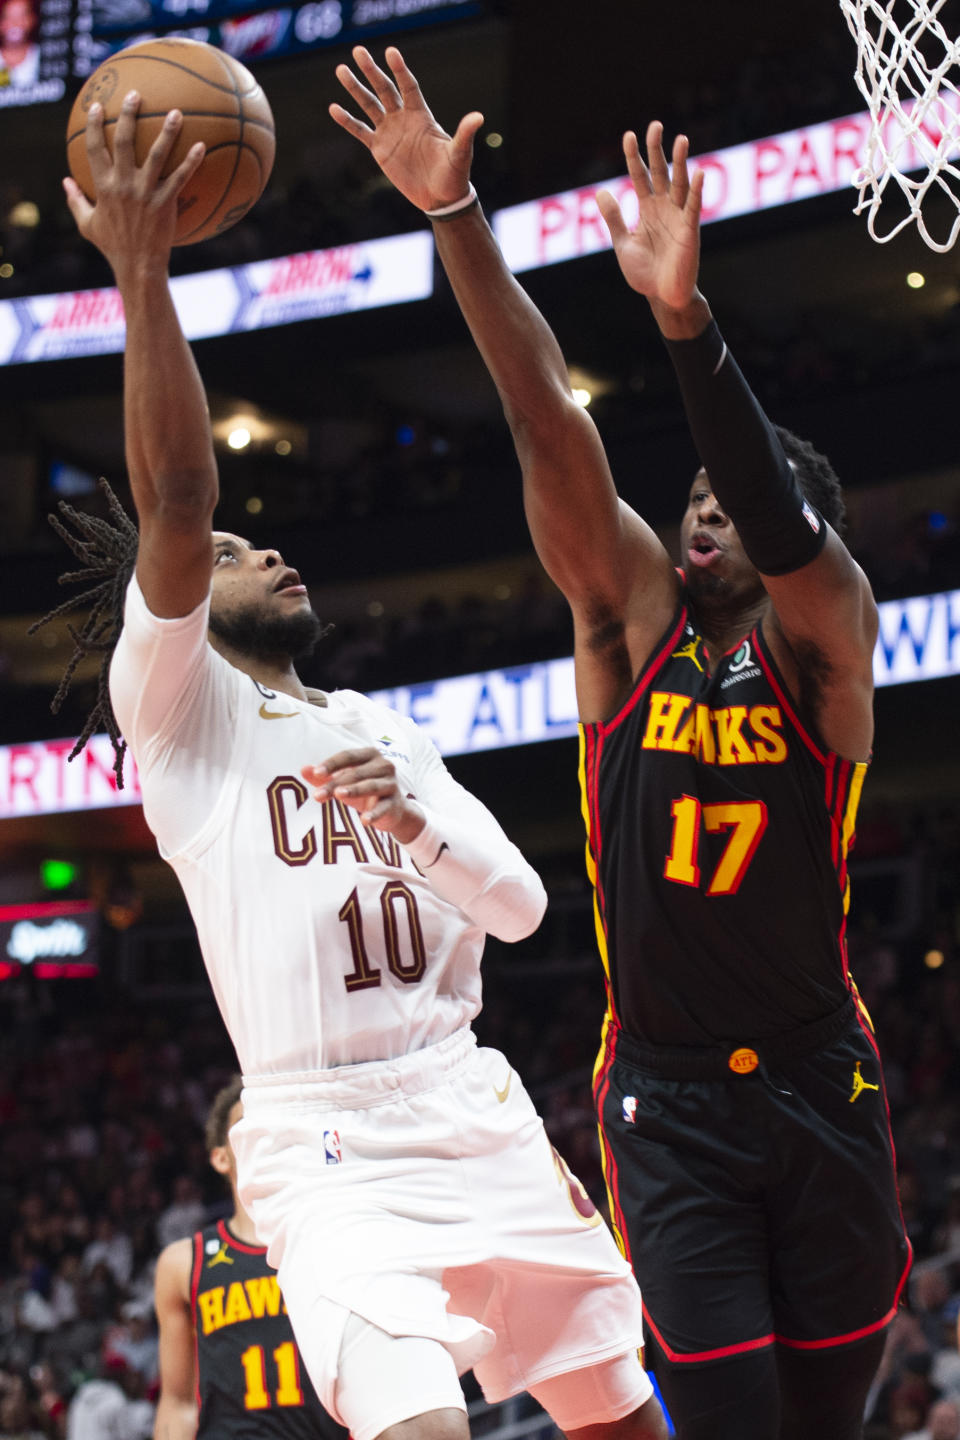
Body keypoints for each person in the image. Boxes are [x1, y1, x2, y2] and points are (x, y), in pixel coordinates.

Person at [49, 89, 669, 1440]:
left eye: (258, 545)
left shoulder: (384, 733)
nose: (259, 549)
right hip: (323, 1138)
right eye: (231, 560)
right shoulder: (177, 709)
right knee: (416, 1425)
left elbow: (522, 911)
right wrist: (143, 277)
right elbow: (179, 499)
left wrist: (417, 827)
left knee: (621, 1419)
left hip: (472, 1098)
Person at [331, 45, 913, 1440]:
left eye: (732, 504)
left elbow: (789, 531)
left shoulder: (825, 641)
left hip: (821, 1077)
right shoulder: (628, 624)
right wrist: (451, 219)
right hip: (665, 1103)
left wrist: (688, 321)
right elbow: (546, 419)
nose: (703, 515)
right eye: (694, 497)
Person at [153, 1076, 348, 1438]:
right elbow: (178, 1404)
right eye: (246, 1127)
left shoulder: (334, 1244)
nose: (260, 1137)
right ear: (221, 1157)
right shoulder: (184, 1263)